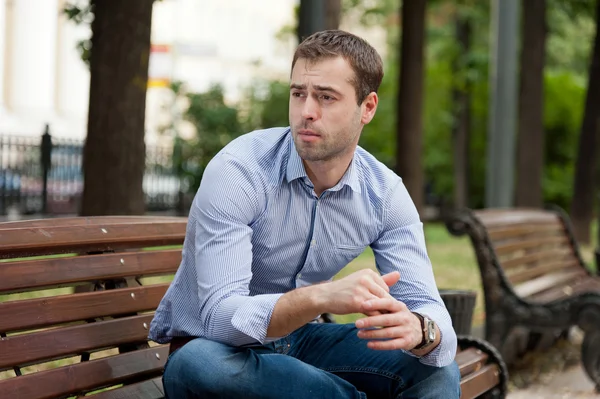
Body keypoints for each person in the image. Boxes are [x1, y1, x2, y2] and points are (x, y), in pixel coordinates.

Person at [149, 29, 460, 399]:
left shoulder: (384, 193)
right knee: (200, 367)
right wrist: (322, 297)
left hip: (302, 343)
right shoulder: (240, 171)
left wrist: (420, 330)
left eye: (326, 97)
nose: (307, 112)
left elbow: (430, 309)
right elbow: (220, 317)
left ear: (368, 108)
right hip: (219, 349)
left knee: (437, 372)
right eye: (299, 94)